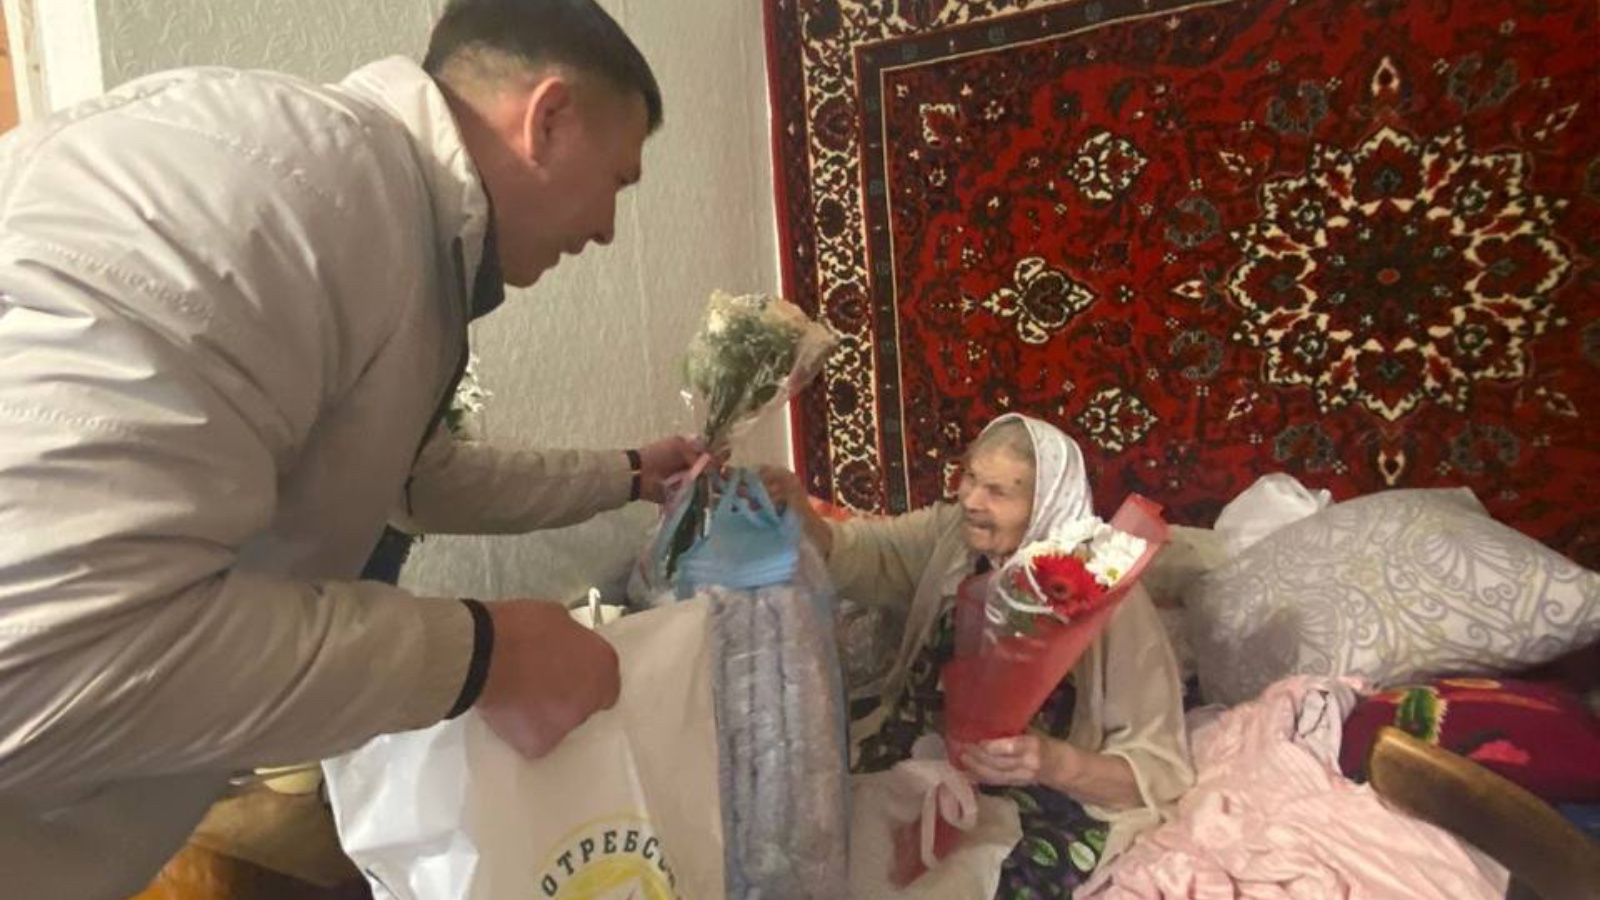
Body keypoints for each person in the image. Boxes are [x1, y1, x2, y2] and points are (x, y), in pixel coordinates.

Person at [0, 1, 690, 895]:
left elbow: (420, 481)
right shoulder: (308, 193)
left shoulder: (383, 220)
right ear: (548, 118)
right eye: (618, 182)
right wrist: (485, 656)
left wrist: (628, 474)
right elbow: (55, 651)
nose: (605, 230)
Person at [764, 414, 1194, 896]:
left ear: (1046, 502)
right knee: (811, 852)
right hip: (910, 761)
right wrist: (802, 515)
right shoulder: (954, 537)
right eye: (969, 477)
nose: (970, 500)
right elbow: (872, 552)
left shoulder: (1103, 592)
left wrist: (1050, 761)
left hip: (1032, 801)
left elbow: (1158, 769)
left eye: (998, 491)